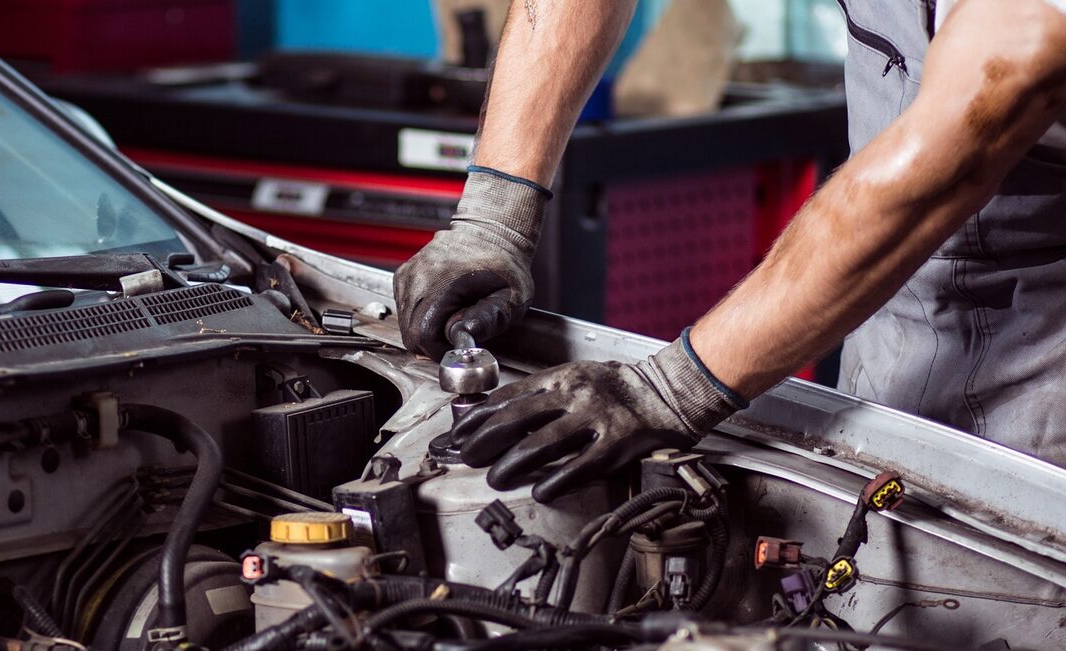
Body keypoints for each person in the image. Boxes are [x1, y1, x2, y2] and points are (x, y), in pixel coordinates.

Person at [394, 0, 1066, 503]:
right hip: (887, 319)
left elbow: (984, 111)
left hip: (1046, 378)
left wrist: (672, 388)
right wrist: (494, 213)